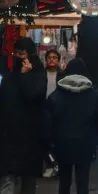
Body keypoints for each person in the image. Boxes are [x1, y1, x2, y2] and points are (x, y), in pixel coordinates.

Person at [0, 36, 47, 194]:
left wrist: (26, 76)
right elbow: (1, 105)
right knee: (7, 177)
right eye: (16, 53)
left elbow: (31, 95)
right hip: (9, 134)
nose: (19, 57)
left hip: (31, 135)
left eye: (22, 53)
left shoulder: (38, 75)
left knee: (28, 179)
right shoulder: (9, 76)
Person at [45, 58, 98, 194]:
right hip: (85, 144)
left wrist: (51, 144)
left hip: (62, 144)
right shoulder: (93, 96)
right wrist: (96, 137)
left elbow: (48, 121)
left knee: (64, 182)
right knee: (82, 182)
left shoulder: (55, 96)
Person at [42, 48, 62, 178]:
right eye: (49, 57)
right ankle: (50, 164)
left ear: (58, 60)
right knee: (45, 139)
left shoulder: (63, 75)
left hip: (58, 110)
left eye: (54, 57)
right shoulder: (41, 74)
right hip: (44, 109)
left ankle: (57, 164)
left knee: (58, 139)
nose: (52, 60)